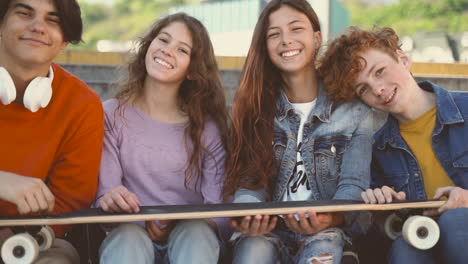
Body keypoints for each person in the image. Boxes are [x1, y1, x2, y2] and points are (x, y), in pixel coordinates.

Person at [222, 0, 375, 263]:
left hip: (327, 231)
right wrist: (248, 213)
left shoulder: (354, 112)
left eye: (296, 29)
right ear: (265, 46)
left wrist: (330, 217)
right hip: (268, 232)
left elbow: (353, 186)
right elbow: (250, 181)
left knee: (323, 252)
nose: (285, 41)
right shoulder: (255, 107)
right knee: (252, 253)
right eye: (274, 34)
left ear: (316, 39)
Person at [319, 26, 468, 264]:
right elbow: (391, 229)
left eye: (379, 71)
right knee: (405, 247)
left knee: (456, 221)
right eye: (363, 89)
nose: (378, 90)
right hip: (427, 242)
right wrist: (384, 212)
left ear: (403, 59)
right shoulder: (378, 149)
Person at [95, 13, 230, 264]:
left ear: (192, 70)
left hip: (192, 241)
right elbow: (106, 192)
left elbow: (219, 211)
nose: (168, 51)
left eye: (182, 50)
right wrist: (115, 202)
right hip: (128, 236)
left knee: (196, 233)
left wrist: (181, 221)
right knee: (128, 237)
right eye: (163, 40)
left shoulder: (207, 128)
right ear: (148, 47)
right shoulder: (111, 115)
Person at [0, 0, 104, 263]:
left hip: (28, 241)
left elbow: (70, 200)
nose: (38, 27)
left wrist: (15, 236)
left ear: (65, 41)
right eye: (24, 13)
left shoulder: (83, 103)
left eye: (53, 20)